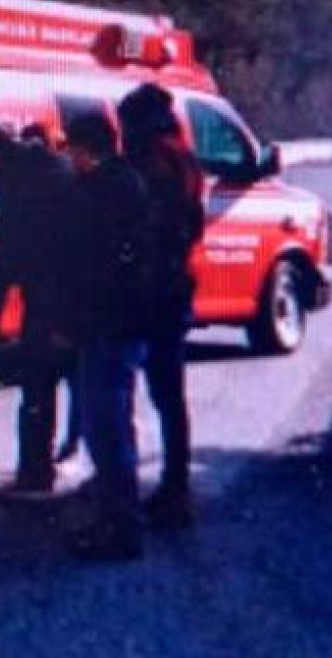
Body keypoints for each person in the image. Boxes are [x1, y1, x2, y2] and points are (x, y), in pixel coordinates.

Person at [118, 83, 206, 530]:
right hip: (177, 282)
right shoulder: (185, 157)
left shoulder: (154, 160)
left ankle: (169, 492)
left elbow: (144, 224)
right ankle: (177, 486)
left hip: (154, 289)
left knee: (152, 389)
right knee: (171, 394)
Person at [63, 111, 150, 561]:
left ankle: (119, 529)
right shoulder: (133, 182)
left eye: (71, 148)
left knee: (105, 429)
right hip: (133, 320)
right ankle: (122, 518)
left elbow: (81, 265)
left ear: (83, 148)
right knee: (119, 422)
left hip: (106, 323)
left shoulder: (94, 192)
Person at [0, 123, 79, 500]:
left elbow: (3, 249)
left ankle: (35, 473)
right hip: (82, 294)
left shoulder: (13, 179)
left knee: (37, 387)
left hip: (45, 298)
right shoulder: (60, 165)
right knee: (88, 386)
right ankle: (106, 477)